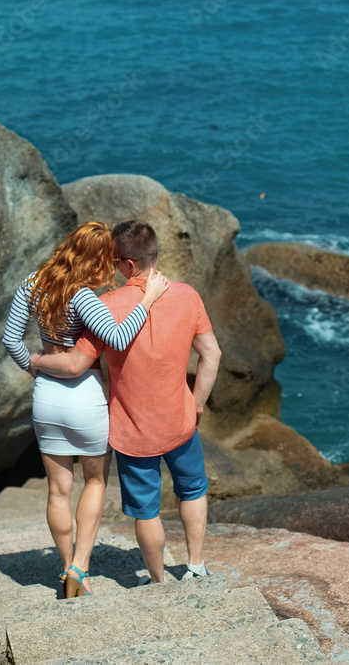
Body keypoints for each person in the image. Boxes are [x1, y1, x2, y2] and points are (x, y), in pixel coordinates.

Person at [31, 219, 221, 585]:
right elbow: (212, 354)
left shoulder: (107, 306)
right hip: (181, 421)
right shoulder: (187, 296)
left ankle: (159, 582)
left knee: (147, 511)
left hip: (133, 432)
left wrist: (36, 360)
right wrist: (196, 404)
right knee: (193, 490)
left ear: (128, 264)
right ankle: (196, 566)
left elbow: (75, 364)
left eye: (113, 260)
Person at [1, 221, 169, 598]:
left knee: (58, 491)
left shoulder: (33, 284)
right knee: (94, 481)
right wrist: (147, 300)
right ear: (95, 259)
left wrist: (34, 367)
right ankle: (80, 566)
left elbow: (10, 339)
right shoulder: (84, 298)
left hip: (46, 398)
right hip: (85, 398)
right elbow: (119, 338)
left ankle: (66, 570)